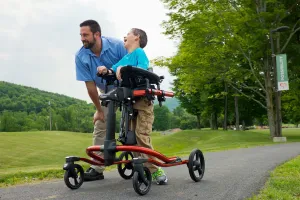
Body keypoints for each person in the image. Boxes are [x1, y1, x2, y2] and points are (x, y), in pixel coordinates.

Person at [97, 28, 168, 185]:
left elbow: (142, 69)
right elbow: (113, 69)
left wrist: (124, 69)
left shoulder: (139, 53)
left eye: (128, 33)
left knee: (141, 135)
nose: (125, 36)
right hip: (129, 104)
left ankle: (156, 170)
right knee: (130, 139)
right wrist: (105, 69)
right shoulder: (126, 57)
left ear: (137, 37)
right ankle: (142, 167)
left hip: (143, 103)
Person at [75, 19, 127, 181]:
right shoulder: (81, 56)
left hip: (129, 87)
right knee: (100, 124)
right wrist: (99, 110)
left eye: (86, 35)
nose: (82, 38)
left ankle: (144, 163)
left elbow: (132, 65)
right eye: (81, 35)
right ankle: (97, 168)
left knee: (134, 125)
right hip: (106, 91)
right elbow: (90, 87)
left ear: (97, 34)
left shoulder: (117, 46)